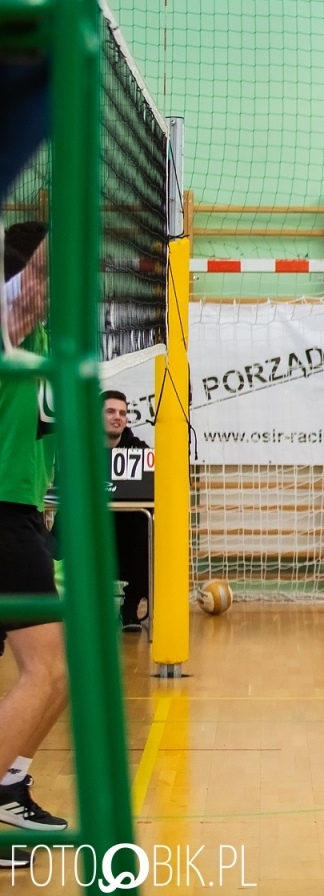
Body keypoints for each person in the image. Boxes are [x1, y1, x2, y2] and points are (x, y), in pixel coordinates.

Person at [0, 223, 67, 842]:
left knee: (54, 674)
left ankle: (9, 790)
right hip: (1, 516)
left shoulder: (43, 337)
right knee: (51, 670)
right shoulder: (10, 321)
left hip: (20, 515)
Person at [103, 390, 150, 632]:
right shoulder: (80, 450)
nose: (117, 417)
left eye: (122, 413)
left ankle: (130, 606)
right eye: (110, 411)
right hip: (96, 533)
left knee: (153, 538)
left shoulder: (140, 450)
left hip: (129, 537)